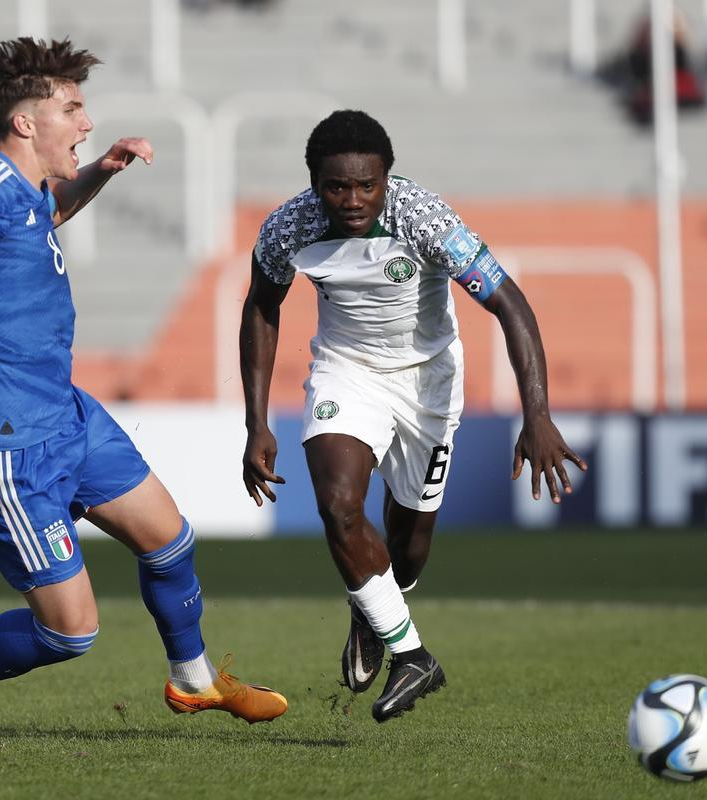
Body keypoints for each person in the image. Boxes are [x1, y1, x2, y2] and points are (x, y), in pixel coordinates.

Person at [0, 37, 287, 747]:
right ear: (27, 123)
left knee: (169, 539)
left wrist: (100, 171)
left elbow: (48, 214)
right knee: (71, 635)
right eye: (72, 108)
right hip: (7, 449)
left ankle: (192, 679)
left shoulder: (28, 194)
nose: (85, 121)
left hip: (65, 417)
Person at [239, 110, 586, 723]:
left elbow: (510, 303)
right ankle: (412, 654)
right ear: (314, 182)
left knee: (409, 547)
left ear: (387, 178)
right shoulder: (287, 227)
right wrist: (257, 422)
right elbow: (262, 311)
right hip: (345, 372)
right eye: (336, 187)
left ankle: (375, 609)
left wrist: (538, 415)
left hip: (428, 382)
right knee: (338, 503)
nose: (352, 200)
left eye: (367, 185)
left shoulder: (425, 219)